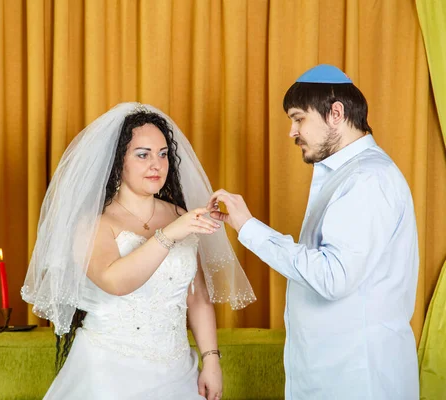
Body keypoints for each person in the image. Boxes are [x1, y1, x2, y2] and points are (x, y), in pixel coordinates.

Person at [207, 65, 419, 399]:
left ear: (336, 113)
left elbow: (333, 277)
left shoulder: (367, 179)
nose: (292, 132)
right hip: (336, 373)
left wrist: (249, 228)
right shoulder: (348, 174)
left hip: (358, 378)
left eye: (298, 119)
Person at [22, 102, 256, 400]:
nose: (156, 164)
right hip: (108, 369)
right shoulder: (94, 222)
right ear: (118, 162)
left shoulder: (178, 213)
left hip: (177, 370)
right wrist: (170, 234)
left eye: (162, 154)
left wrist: (211, 359)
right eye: (143, 155)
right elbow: (115, 281)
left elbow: (196, 295)